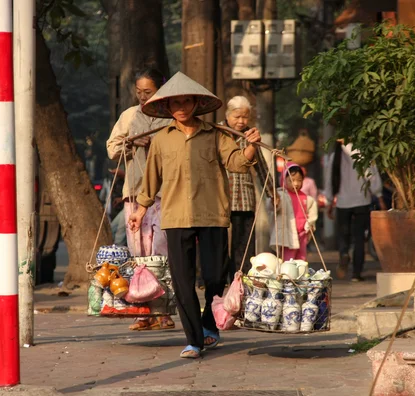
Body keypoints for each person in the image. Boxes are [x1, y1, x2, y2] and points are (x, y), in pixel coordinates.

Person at [128, 72, 262, 359]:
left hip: (212, 215)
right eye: (175, 102)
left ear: (196, 103)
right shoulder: (162, 140)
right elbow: (151, 179)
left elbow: (238, 163)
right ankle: (194, 340)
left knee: (215, 277)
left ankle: (209, 324)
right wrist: (140, 211)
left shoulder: (216, 135)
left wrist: (251, 144)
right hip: (175, 218)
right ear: (166, 107)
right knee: (182, 280)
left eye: (186, 100)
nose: (180, 106)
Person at [106, 68, 174, 331]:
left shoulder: (170, 117)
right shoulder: (129, 115)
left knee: (161, 253)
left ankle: (164, 312)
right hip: (134, 194)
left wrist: (154, 143)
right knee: (139, 255)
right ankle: (142, 313)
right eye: (140, 92)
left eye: (149, 92)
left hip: (163, 196)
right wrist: (131, 142)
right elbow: (112, 148)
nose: (144, 97)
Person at [221, 96, 268, 283]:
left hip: (244, 198)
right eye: (237, 116)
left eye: (245, 117)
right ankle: (219, 278)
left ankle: (242, 278)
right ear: (227, 114)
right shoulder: (218, 132)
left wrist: (273, 193)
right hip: (221, 198)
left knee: (244, 242)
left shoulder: (251, 136)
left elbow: (261, 166)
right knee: (221, 242)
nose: (241, 121)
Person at [324, 140, 385, 281]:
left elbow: (330, 179)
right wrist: (379, 195)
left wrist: (329, 202)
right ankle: (356, 274)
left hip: (342, 202)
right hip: (361, 200)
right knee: (359, 238)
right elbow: (371, 175)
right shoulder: (361, 152)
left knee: (343, 235)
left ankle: (344, 253)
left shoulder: (335, 155)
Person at [269, 163, 318, 261]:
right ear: (284, 180)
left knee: (302, 258)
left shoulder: (305, 198)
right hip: (288, 234)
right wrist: (275, 203)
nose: (296, 183)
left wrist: (310, 224)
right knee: (288, 259)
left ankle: (301, 274)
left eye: (299, 180)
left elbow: (312, 213)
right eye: (291, 180)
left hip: (302, 234)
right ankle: (289, 275)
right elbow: (273, 207)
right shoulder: (281, 195)